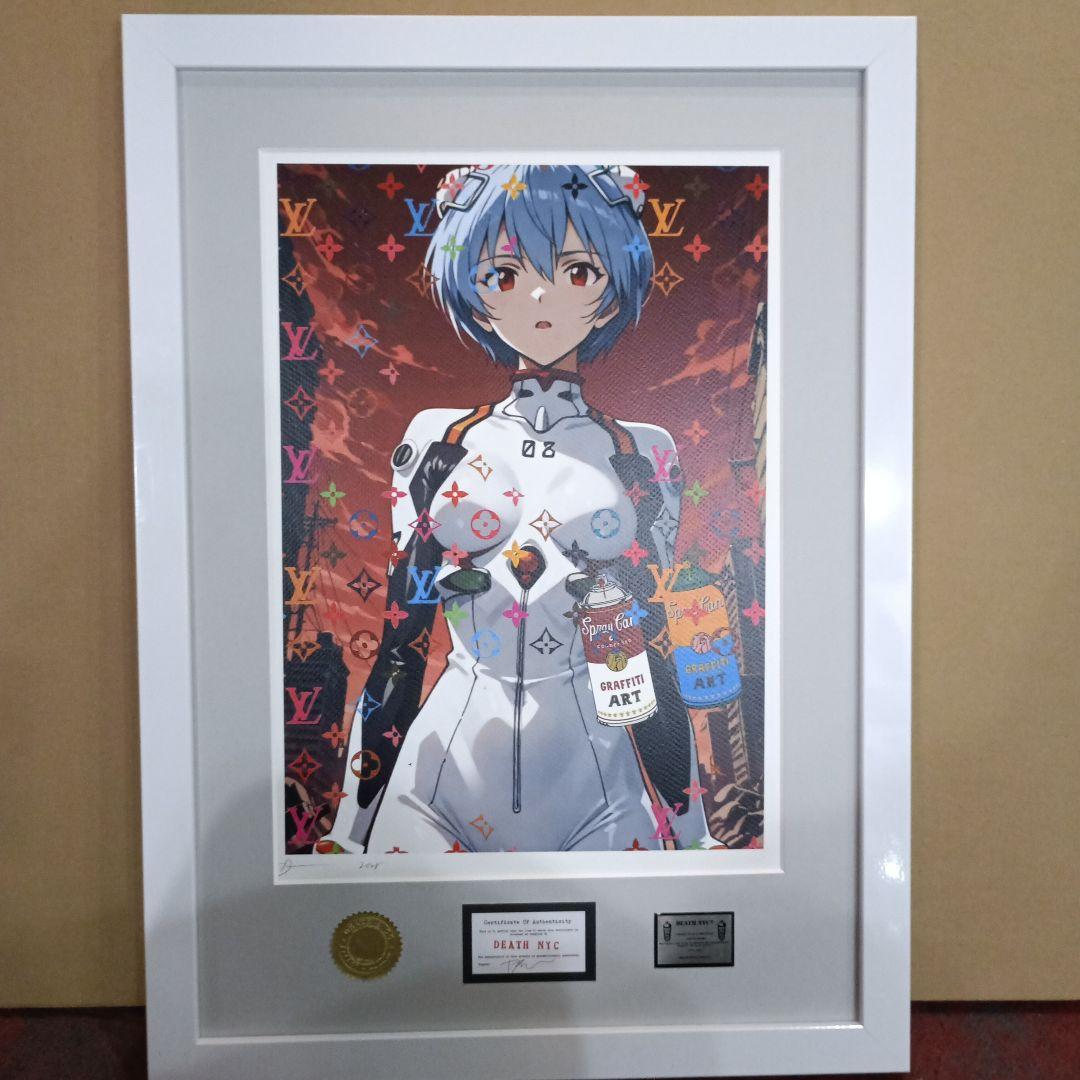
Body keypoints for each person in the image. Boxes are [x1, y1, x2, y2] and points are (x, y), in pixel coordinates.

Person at [316, 164, 713, 853]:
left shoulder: (643, 452)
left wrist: (696, 834)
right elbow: (402, 645)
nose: (539, 294)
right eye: (503, 274)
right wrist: (348, 832)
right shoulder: (438, 439)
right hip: (438, 779)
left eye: (578, 271)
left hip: (601, 788)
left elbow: (642, 655)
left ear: (612, 293)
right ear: (473, 295)